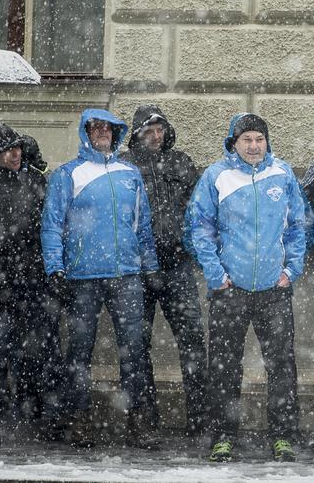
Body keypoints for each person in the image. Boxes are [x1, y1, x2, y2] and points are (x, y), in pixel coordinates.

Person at [185, 113, 306, 463]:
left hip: (274, 289)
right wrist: (216, 275)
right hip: (230, 289)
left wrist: (291, 270)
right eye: (247, 139)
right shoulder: (216, 176)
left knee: (282, 365)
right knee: (224, 366)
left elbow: (298, 226)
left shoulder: (282, 174)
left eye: (259, 139)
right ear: (233, 143)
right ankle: (223, 436)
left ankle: (283, 437)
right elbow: (200, 228)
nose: (254, 146)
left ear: (267, 142)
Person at [41, 109, 159, 448]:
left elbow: (143, 226)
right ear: (85, 132)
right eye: (96, 128)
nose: (102, 133)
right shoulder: (68, 174)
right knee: (79, 351)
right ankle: (77, 419)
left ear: (117, 133)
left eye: (108, 128)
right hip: (83, 277)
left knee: (134, 352)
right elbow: (52, 225)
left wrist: (149, 266)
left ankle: (139, 422)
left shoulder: (130, 173)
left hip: (127, 275)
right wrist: (55, 267)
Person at [119, 105, 208, 437]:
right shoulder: (125, 166)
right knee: (136, 346)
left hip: (177, 267)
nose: (155, 136)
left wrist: (193, 245)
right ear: (137, 134)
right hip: (137, 270)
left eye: (160, 130)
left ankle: (200, 418)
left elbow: (200, 208)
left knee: (193, 343)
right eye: (148, 130)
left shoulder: (181, 162)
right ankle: (144, 420)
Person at [0, 120, 62, 435]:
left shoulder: (35, 183)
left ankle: (34, 415)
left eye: (18, 148)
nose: (14, 155)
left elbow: (48, 227)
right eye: (7, 150)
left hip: (34, 281)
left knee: (36, 352)